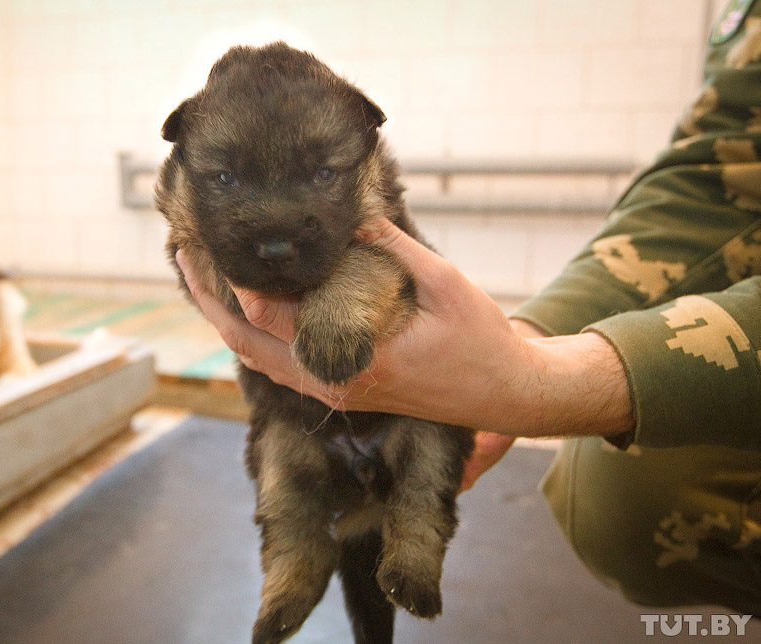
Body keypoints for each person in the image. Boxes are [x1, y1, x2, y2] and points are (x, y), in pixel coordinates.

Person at [176, 0, 761, 615]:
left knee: (613, 496)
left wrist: (548, 383)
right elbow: (714, 179)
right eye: (225, 181)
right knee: (288, 466)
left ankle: (406, 539)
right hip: (301, 421)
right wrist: (526, 342)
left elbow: (384, 274)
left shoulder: (363, 204)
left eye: (321, 174)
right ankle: (298, 565)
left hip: (404, 418)